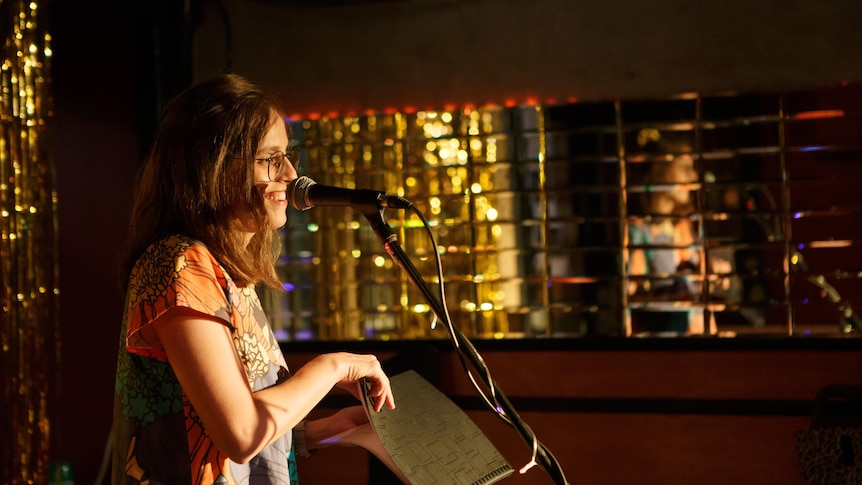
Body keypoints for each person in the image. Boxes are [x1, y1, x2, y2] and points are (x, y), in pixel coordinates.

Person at [110, 73, 395, 484]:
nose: (292, 173)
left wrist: (330, 430)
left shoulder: (224, 270)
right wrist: (334, 367)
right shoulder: (180, 264)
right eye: (271, 159)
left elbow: (224, 435)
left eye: (287, 156)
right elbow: (240, 434)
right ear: (216, 166)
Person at [626, 135, 725, 336]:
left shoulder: (684, 228)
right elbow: (628, 295)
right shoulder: (640, 233)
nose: (693, 176)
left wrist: (713, 273)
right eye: (685, 168)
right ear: (660, 170)